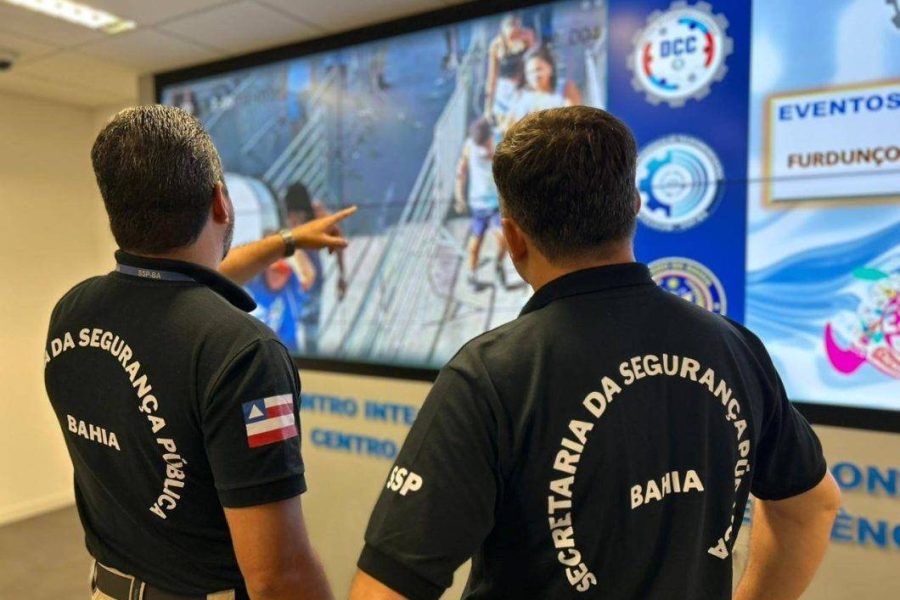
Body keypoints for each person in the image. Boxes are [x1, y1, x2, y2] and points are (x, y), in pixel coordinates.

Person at [349, 106, 840, 600]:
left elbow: (384, 591)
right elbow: (811, 508)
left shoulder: (491, 376)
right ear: (634, 206)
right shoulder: (733, 347)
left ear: (513, 237)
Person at [44, 105, 354, 600]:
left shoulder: (73, 310)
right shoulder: (244, 354)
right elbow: (277, 576)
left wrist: (288, 241)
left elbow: (182, 293)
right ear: (220, 201)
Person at [283, 181, 349, 355]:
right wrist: (341, 275)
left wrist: (342, 275)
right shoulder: (314, 212)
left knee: (304, 327)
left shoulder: (314, 212)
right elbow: (338, 240)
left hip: (300, 277)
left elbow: (337, 239)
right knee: (302, 327)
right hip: (297, 276)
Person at [454, 117, 508, 289]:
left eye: (485, 144)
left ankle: (499, 265)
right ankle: (471, 274)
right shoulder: (469, 146)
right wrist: (459, 197)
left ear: (491, 136)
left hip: (497, 204)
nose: (483, 149)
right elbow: (461, 172)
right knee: (475, 243)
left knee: (504, 239)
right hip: (478, 204)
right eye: (480, 146)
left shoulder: (500, 139)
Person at [502, 45, 582, 130]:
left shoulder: (565, 88)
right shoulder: (523, 97)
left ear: (550, 69)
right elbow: (508, 127)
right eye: (530, 72)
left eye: (538, 69)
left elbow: (574, 120)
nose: (535, 75)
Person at [483, 14, 536, 124]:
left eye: (517, 33)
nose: (514, 38)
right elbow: (492, 77)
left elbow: (534, 62)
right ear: (503, 31)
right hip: (505, 88)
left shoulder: (527, 36)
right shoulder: (496, 45)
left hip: (523, 83)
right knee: (507, 124)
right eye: (511, 36)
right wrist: (488, 107)